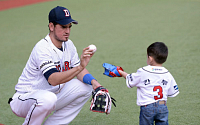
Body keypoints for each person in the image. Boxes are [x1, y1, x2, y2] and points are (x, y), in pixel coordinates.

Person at [8, 6, 104, 125]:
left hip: (51, 96)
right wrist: (80, 66)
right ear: (51, 26)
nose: (67, 31)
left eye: (69, 26)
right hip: (25, 99)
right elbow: (53, 79)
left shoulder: (69, 45)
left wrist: (96, 84)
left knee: (86, 87)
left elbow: (79, 72)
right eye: (63, 27)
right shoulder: (42, 48)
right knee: (48, 99)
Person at [103, 42, 179, 125]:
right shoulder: (167, 74)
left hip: (148, 107)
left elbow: (130, 79)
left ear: (150, 59)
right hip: (162, 106)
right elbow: (172, 92)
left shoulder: (143, 71)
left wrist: (120, 72)